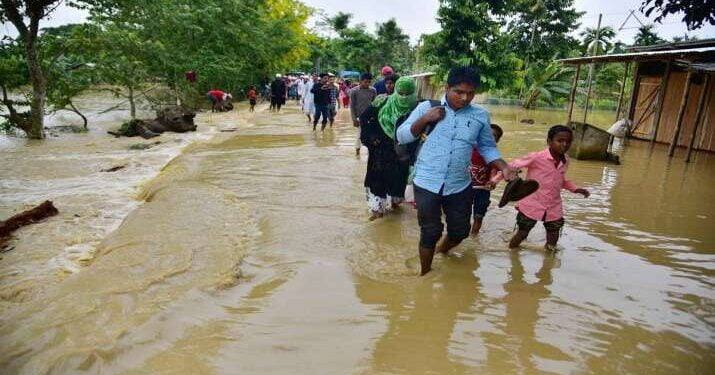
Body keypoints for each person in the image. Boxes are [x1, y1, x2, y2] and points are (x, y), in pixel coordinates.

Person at [396, 66, 517, 276]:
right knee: (430, 232)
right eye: (459, 92)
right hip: (426, 181)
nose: (464, 98)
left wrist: (504, 167)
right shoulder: (426, 107)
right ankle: (425, 274)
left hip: (459, 183)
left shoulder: (480, 115)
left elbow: (487, 147)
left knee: (460, 232)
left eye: (470, 93)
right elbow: (402, 136)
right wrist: (425, 119)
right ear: (447, 87)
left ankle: (442, 252)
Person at [506, 125, 590, 251]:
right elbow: (510, 166)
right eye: (560, 141)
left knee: (553, 235)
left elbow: (560, 180)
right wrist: (494, 180)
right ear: (549, 141)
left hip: (553, 206)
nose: (565, 145)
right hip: (532, 203)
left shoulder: (566, 160)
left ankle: (548, 263)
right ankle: (511, 253)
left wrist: (575, 189)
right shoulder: (537, 157)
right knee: (523, 233)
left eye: (568, 142)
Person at [360, 76, 416, 220]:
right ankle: (377, 213)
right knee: (378, 184)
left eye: (407, 94)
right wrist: (371, 139)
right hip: (380, 151)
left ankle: (393, 209)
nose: (403, 98)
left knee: (397, 187)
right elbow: (364, 118)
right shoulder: (382, 101)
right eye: (400, 93)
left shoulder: (417, 108)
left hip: (401, 154)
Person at [470, 124, 503, 236]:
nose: (489, 137)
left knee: (478, 217)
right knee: (461, 214)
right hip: (464, 188)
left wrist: (493, 181)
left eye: (494, 136)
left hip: (483, 190)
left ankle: (474, 237)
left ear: (497, 141)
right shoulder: (468, 149)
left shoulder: (493, 156)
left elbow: (499, 171)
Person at [349, 72, 377, 156]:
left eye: (369, 82)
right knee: (359, 135)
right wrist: (354, 119)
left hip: (370, 117)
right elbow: (352, 106)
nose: (367, 84)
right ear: (360, 81)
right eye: (365, 82)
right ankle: (357, 152)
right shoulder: (354, 91)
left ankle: (370, 153)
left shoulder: (373, 90)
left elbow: (375, 104)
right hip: (359, 117)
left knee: (372, 135)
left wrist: (375, 116)